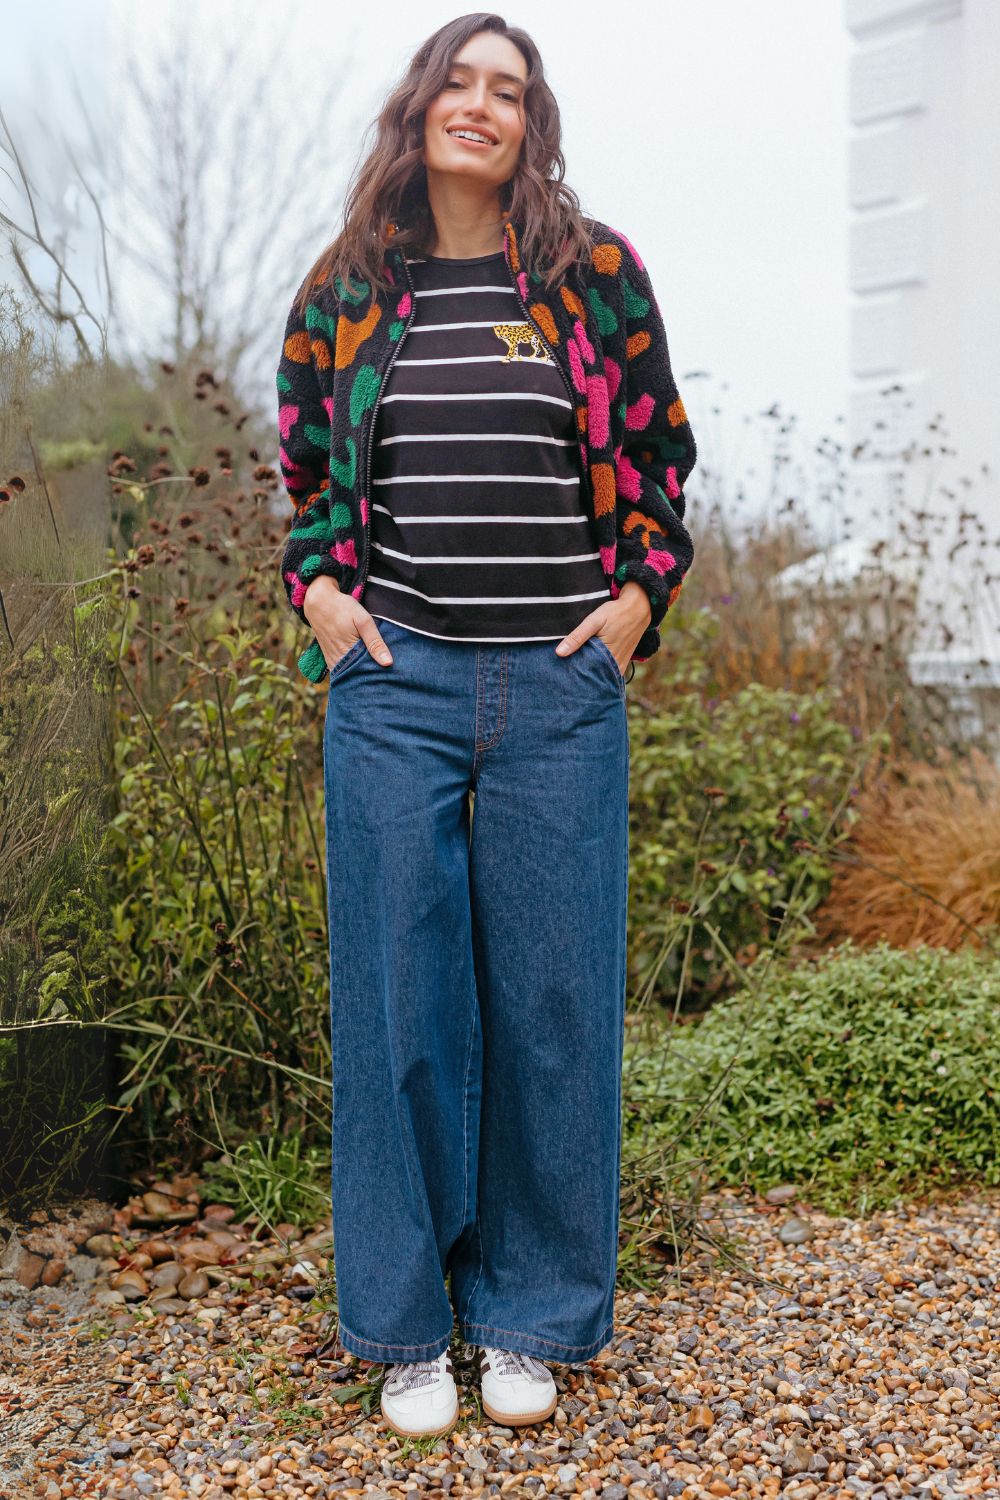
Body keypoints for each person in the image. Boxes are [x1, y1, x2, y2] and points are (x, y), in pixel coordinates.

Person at [276, 12, 696, 1440]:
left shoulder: (592, 278)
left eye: (507, 90)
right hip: (395, 689)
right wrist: (322, 596)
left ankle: (529, 1316)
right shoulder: (348, 288)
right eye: (457, 81)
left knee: (554, 1007)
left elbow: (658, 456)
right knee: (399, 1003)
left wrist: (636, 603)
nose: (479, 105)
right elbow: (306, 472)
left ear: (532, 123)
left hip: (559, 692)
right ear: (420, 108)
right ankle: (404, 1328)